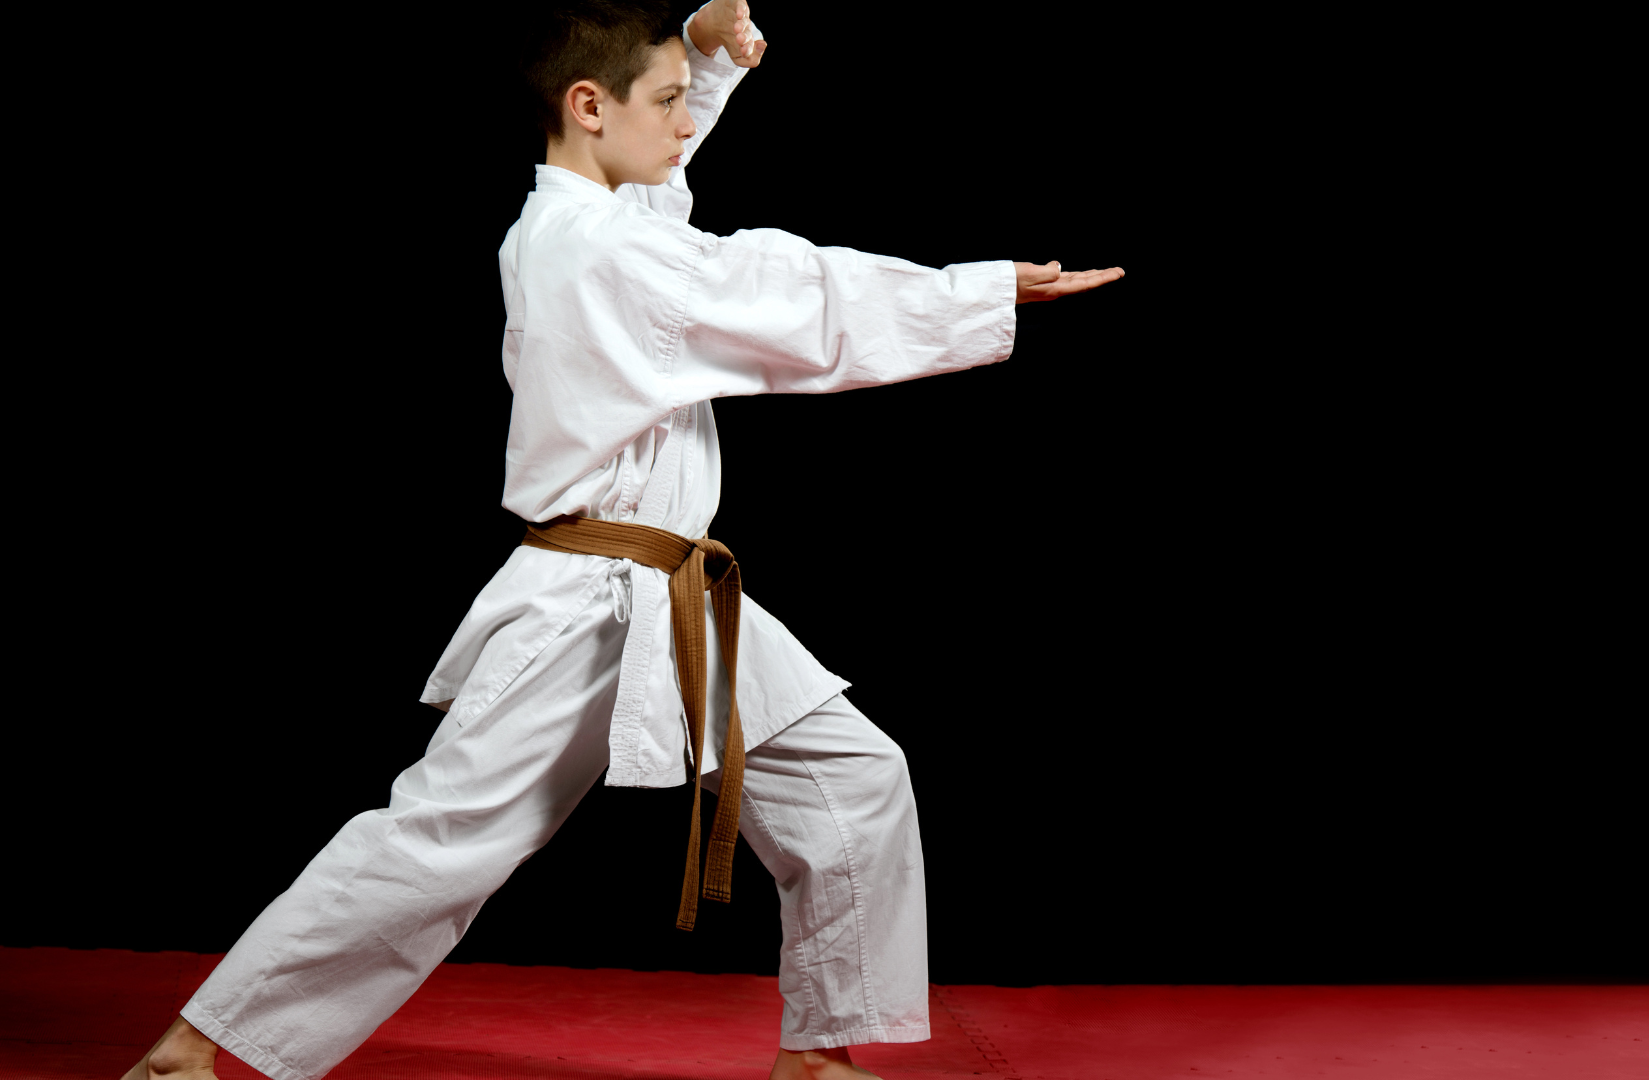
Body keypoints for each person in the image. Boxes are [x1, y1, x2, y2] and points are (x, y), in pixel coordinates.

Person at [124, 2, 1121, 1077]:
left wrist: (695, 51)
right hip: (586, 597)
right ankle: (199, 1051)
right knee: (444, 837)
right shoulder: (597, 251)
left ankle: (822, 1058)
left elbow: (663, 190)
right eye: (663, 105)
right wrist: (973, 290)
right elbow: (780, 289)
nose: (684, 126)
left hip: (670, 587)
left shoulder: (590, 225)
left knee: (852, 779)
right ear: (587, 106)